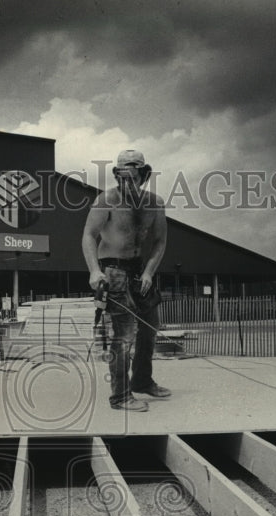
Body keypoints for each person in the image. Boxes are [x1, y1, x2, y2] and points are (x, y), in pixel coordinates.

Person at [82, 149, 170, 412]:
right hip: (113, 271)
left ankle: (142, 380)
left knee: (150, 328)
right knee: (124, 335)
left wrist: (148, 273)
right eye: (123, 176)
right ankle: (120, 396)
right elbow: (88, 235)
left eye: (134, 175)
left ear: (144, 174)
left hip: (139, 271)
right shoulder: (105, 200)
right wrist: (94, 271)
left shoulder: (154, 203)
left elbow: (160, 242)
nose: (127, 181)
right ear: (116, 175)